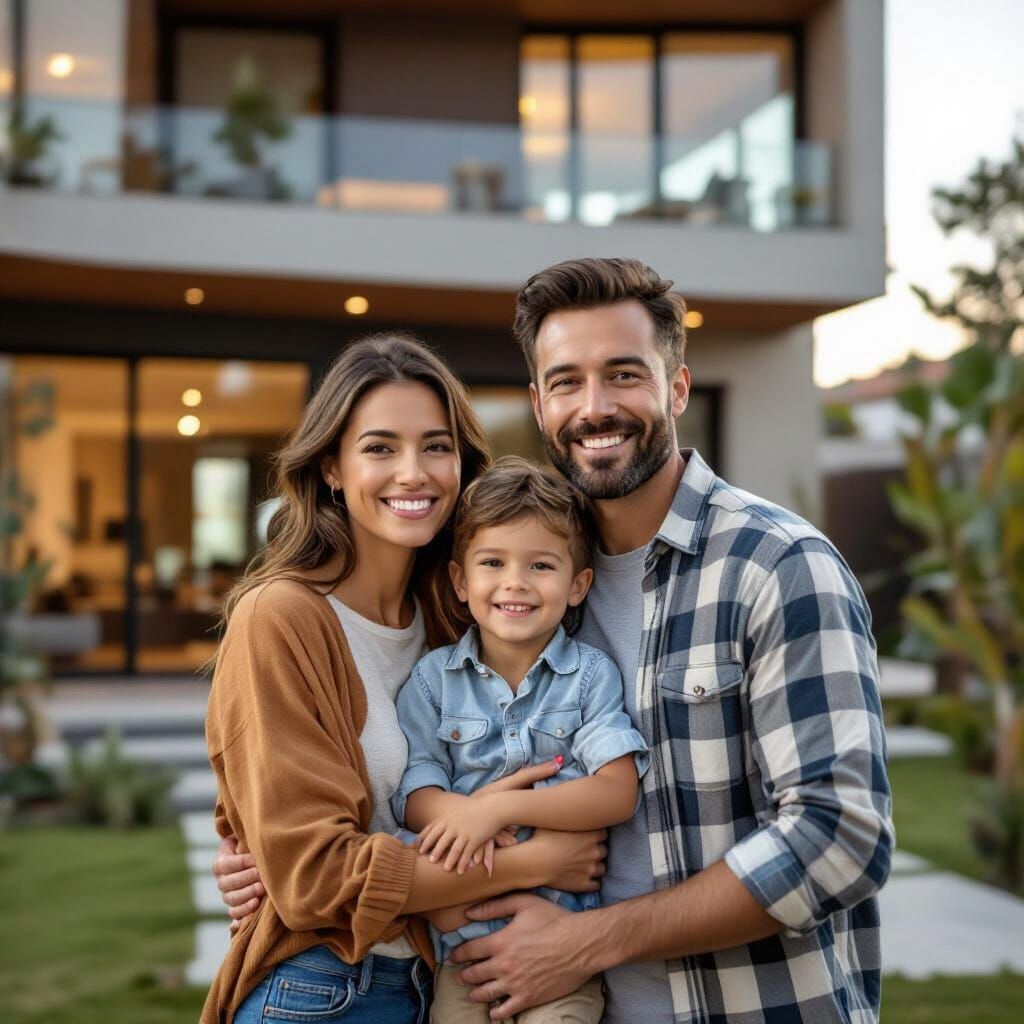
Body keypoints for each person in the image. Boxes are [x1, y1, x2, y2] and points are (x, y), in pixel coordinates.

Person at [217, 258, 894, 1024]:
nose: (595, 407)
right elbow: (321, 832)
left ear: (677, 387)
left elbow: (840, 838)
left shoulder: (777, 566)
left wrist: (586, 942)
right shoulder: (509, 590)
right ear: (540, 405)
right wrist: (269, 862)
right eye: (567, 381)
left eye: (624, 375)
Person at [201, 333, 607, 1024]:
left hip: (438, 981)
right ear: (332, 467)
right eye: (380, 447)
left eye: (436, 446)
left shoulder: (459, 615)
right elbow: (316, 879)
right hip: (322, 991)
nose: (413, 472)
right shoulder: (282, 619)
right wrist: (539, 862)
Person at [393, 457, 649, 1023]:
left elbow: (616, 792)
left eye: (540, 565)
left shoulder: (590, 677)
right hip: (467, 958)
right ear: (461, 581)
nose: (515, 582)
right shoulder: (433, 681)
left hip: (563, 955)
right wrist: (463, 816)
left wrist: (500, 808)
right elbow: (415, 790)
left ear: (578, 584)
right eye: (492, 562)